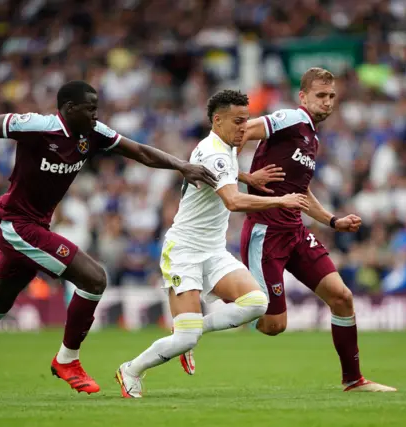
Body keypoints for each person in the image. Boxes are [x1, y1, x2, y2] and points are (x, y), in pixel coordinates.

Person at [0, 80, 219, 399]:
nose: (96, 114)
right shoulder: (39, 126)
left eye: (97, 107)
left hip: (35, 225)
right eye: (90, 108)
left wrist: (182, 166)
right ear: (69, 108)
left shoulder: (94, 133)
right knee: (95, 278)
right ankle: (67, 360)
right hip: (15, 224)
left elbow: (139, 151)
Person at [180, 68, 396, 392]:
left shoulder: (312, 137)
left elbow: (300, 191)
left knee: (342, 297)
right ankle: (203, 318)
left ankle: (354, 380)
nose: (327, 102)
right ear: (303, 97)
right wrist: (242, 176)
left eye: (331, 96)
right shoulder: (289, 119)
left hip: (294, 231)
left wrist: (333, 221)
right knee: (272, 325)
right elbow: (238, 135)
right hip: (265, 234)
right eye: (320, 96)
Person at [114, 90, 309, 398]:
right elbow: (231, 201)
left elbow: (224, 174)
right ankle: (131, 370)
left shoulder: (225, 146)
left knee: (256, 303)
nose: (245, 128)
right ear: (217, 121)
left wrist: (248, 176)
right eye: (238, 121)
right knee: (185, 339)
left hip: (214, 251)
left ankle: (191, 331)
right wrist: (279, 199)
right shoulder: (214, 151)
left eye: (246, 120)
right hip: (184, 252)